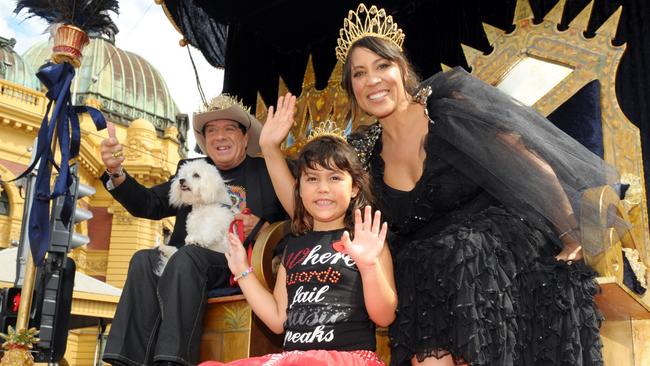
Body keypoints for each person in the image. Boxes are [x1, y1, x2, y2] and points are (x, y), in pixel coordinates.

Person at [260, 4, 618, 366]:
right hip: (430, 267)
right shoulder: (363, 153)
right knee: (418, 265)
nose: (373, 80)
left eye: (382, 66)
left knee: (456, 251)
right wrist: (269, 150)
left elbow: (528, 163)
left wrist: (573, 237)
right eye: (359, 74)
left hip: (493, 241)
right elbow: (314, 208)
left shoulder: (447, 110)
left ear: (402, 69)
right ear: (351, 88)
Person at [100, 94, 287, 366]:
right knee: (143, 260)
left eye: (229, 129)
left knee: (186, 257)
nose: (219, 137)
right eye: (211, 131)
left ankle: (172, 361)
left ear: (246, 138)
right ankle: (127, 361)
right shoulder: (190, 171)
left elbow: (297, 222)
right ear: (204, 140)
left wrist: (262, 227)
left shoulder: (267, 170)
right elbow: (149, 204)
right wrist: (116, 172)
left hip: (238, 265)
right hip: (189, 261)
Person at [200, 134, 397, 366]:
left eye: (334, 178)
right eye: (312, 179)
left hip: (347, 359)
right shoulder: (293, 246)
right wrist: (243, 271)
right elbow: (278, 319)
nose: (323, 188)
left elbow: (384, 316)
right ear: (299, 189)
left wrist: (368, 266)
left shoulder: (367, 241)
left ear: (354, 187)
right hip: (292, 359)